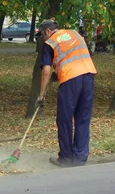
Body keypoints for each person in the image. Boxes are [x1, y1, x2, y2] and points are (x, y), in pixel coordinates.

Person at [36, 19, 97, 168]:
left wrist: (41, 94)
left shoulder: (50, 43)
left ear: (48, 31)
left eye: (42, 35)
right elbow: (74, 55)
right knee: (83, 119)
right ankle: (80, 158)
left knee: (64, 119)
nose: (43, 39)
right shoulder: (75, 34)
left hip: (70, 80)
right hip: (88, 76)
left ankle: (65, 158)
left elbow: (45, 71)